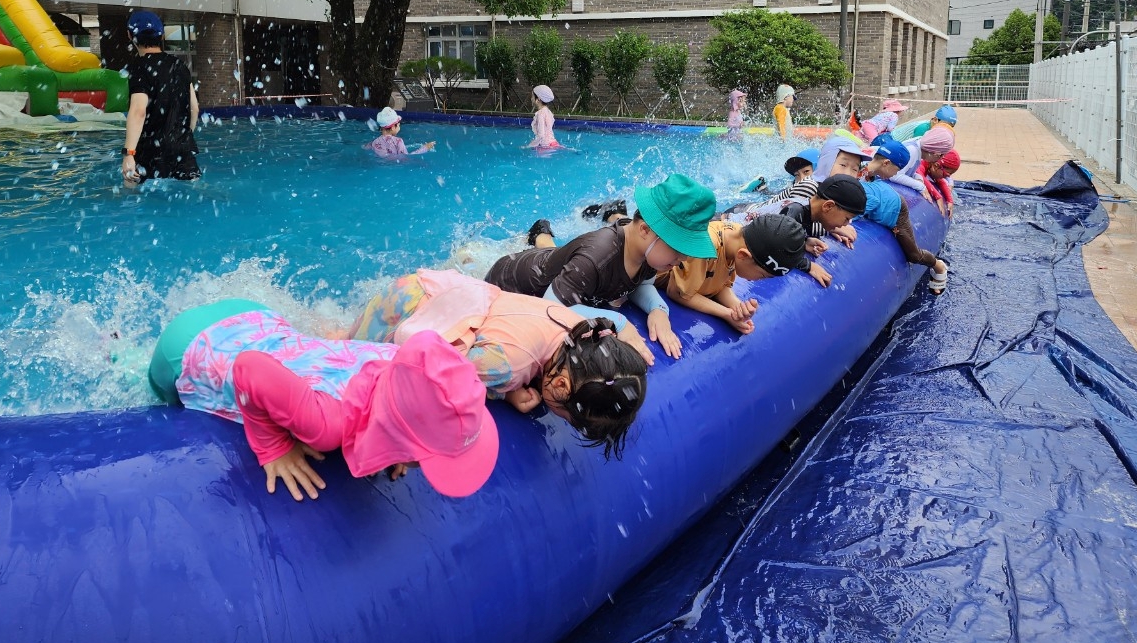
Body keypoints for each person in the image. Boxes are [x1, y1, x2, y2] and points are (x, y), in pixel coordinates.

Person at [147, 300, 498, 501]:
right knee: (163, 401)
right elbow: (248, 368)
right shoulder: (328, 425)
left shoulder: (399, 361)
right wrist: (274, 448)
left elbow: (400, 403)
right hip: (187, 345)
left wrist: (399, 445)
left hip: (254, 316)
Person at [350, 268, 647, 457]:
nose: (563, 418)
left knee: (345, 337)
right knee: (349, 359)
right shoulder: (507, 368)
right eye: (568, 416)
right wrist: (502, 391)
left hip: (434, 287)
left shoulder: (579, 330)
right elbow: (435, 376)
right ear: (560, 384)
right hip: (408, 311)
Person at [486, 174, 717, 360]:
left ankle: (540, 234)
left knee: (559, 258)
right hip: (513, 280)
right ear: (645, 230)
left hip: (557, 265)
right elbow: (553, 306)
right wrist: (618, 322)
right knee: (562, 263)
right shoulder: (598, 256)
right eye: (678, 248)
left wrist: (658, 309)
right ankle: (537, 235)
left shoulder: (649, 251)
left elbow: (641, 285)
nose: (683, 258)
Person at [659, 213, 829, 334]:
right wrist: (726, 314)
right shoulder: (706, 247)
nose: (759, 281)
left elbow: (718, 285)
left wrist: (737, 308)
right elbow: (677, 293)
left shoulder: (738, 237)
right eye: (762, 275)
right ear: (743, 256)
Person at [860, 135, 949, 294]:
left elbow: (867, 202)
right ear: (886, 163)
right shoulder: (862, 168)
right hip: (886, 204)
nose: (893, 175)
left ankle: (938, 265)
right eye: (895, 171)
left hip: (897, 212)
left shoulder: (870, 172)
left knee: (913, 255)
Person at [121, 9, 200, 183]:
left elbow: (138, 111)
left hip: (151, 151)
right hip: (183, 151)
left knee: (131, 189)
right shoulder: (179, 65)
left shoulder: (139, 67)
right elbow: (194, 108)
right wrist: (183, 138)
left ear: (130, 35)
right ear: (162, 36)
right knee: (192, 191)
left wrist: (129, 153)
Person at [888, 125, 955, 196]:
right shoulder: (912, 151)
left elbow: (908, 170)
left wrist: (918, 178)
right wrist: (920, 186)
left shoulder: (919, 147)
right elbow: (894, 175)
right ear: (935, 153)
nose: (941, 159)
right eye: (941, 155)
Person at [918, 148, 960, 217]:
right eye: (946, 174)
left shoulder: (930, 165)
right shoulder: (921, 163)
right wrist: (937, 196)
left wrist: (950, 201)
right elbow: (919, 175)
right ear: (936, 166)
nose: (947, 177)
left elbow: (941, 182)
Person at [891, 103, 957, 143]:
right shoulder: (923, 128)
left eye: (950, 127)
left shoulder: (932, 127)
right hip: (891, 141)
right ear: (935, 120)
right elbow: (915, 148)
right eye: (944, 125)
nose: (946, 129)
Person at [527, 85, 559, 150]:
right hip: (553, 143)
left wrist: (529, 146)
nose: (531, 99)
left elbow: (541, 135)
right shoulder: (548, 112)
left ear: (538, 99)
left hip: (545, 146)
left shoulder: (540, 114)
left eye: (532, 96)